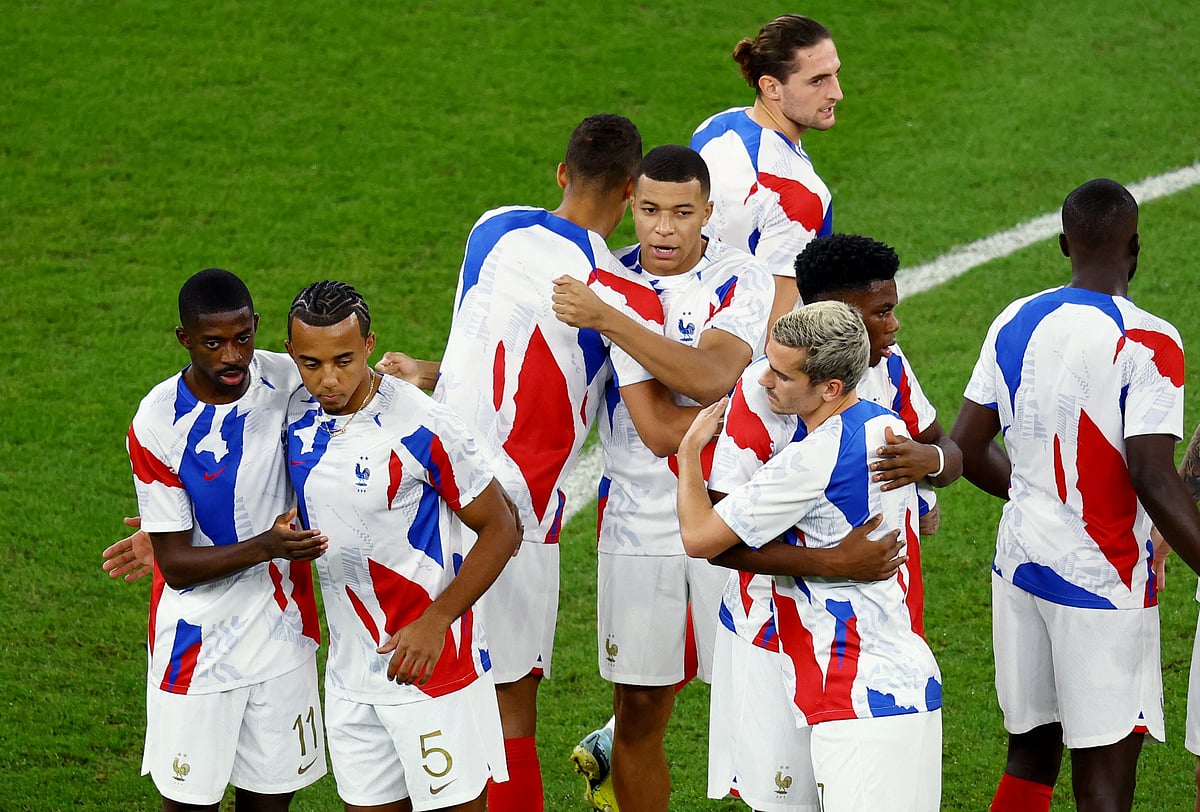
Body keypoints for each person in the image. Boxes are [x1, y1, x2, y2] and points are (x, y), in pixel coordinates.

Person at [376, 114, 675, 812]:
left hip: (426, 492)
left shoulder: (495, 226)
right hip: (515, 523)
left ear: (562, 175)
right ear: (633, 192)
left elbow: (490, 345)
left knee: (414, 687)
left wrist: (427, 370)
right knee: (510, 709)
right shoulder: (624, 300)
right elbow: (641, 419)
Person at [950, 178, 1200, 812]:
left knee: (1030, 752)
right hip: (1104, 580)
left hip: (1021, 565)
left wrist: (1042, 500)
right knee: (1106, 779)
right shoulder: (1150, 340)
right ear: (1136, 246)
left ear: (1064, 243)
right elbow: (1152, 471)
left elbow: (968, 446)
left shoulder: (1013, 317)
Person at [549, 144, 773, 812]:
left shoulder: (741, 278)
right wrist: (431, 377)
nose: (664, 228)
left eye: (682, 212)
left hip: (730, 515)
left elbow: (710, 376)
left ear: (709, 211)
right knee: (639, 710)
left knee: (755, 696)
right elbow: (581, 392)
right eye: (649, 210)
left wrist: (610, 319)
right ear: (630, 207)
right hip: (635, 524)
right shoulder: (606, 279)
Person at [704, 233, 960, 811]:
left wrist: (934, 464)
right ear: (838, 318)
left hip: (874, 625)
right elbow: (721, 529)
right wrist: (830, 562)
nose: (894, 326)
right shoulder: (761, 391)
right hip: (772, 634)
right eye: (882, 313)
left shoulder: (887, 367)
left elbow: (941, 452)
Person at [283, 280, 521, 812]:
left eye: (344, 360)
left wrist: (437, 621)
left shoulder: (420, 424)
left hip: (434, 668)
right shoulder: (294, 412)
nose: (328, 379)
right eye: (310, 363)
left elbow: (504, 528)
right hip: (350, 673)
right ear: (290, 354)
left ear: (370, 346)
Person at [125, 267, 328, 811]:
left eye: (242, 338)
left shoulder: (289, 378)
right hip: (196, 649)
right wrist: (267, 545)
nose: (232, 356)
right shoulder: (158, 421)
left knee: (270, 804)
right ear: (184, 338)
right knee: (190, 805)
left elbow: (360, 402)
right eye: (213, 343)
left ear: (256, 326)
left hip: (283, 636)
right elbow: (177, 567)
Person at [690, 14, 841, 329]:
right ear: (771, 86)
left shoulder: (715, 127)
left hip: (688, 319)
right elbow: (768, 329)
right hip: (732, 358)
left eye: (834, 75)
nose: (836, 93)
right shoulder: (799, 195)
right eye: (817, 80)